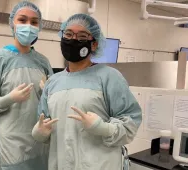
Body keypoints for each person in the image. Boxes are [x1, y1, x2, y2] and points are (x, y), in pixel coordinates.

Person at [32, 14, 142, 170]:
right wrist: (40, 132)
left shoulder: (109, 77)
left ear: (94, 45)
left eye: (82, 36)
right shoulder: (52, 82)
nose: (73, 40)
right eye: (68, 34)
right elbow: (45, 122)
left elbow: (130, 122)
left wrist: (104, 128)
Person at [0, 1, 53, 170]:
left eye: (34, 22)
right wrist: (8, 99)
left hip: (40, 139)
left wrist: (48, 91)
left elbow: (50, 101)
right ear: (12, 23)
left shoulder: (42, 61)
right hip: (11, 143)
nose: (29, 26)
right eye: (23, 20)